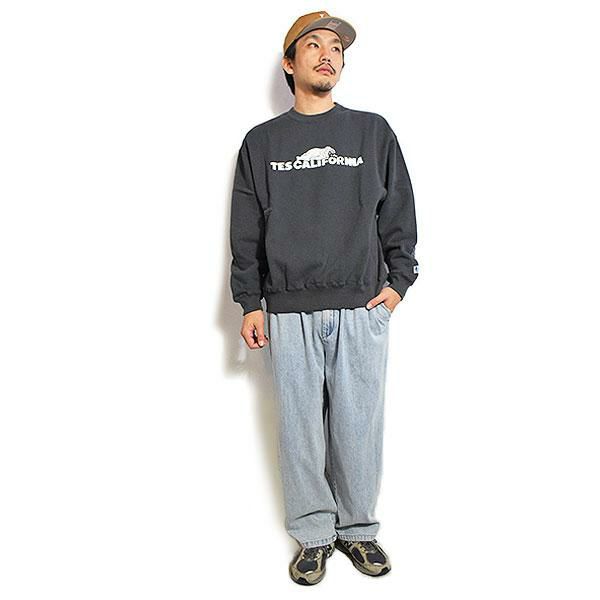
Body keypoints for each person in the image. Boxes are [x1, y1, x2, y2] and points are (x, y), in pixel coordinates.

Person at [229, 11, 419, 585]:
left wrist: (397, 286)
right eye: (312, 45)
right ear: (290, 64)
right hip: (288, 311)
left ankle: (358, 530)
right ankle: (314, 535)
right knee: (301, 431)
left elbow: (399, 213)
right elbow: (246, 229)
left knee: (358, 427)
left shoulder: (372, 132)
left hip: (362, 307)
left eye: (335, 46)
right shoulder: (262, 142)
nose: (327, 54)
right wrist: (250, 301)